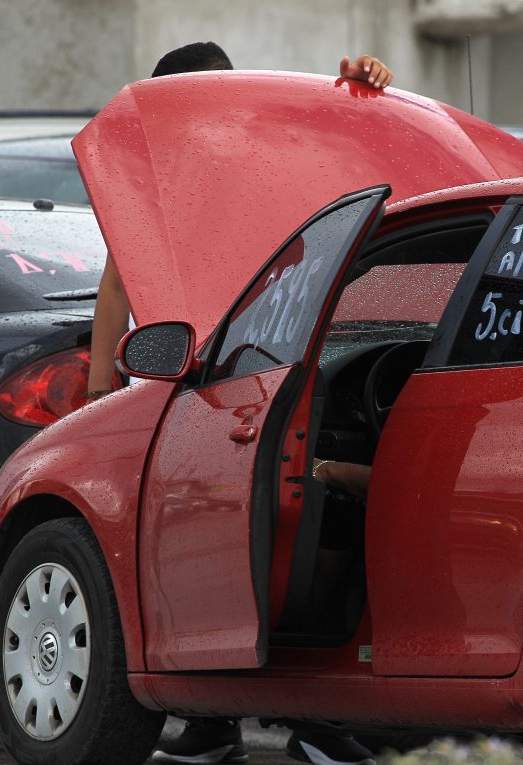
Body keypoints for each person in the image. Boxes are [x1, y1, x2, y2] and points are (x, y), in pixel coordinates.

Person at [103, 42, 391, 765]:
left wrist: (364, 90)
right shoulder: (146, 199)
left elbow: (355, 159)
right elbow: (114, 309)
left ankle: (306, 721)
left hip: (248, 393)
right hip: (176, 400)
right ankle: (215, 720)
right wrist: (102, 414)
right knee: (204, 566)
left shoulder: (258, 175)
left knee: (263, 551)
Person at [84, 43, 393, 402]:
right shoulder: (156, 182)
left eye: (190, 112)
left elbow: (337, 161)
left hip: (268, 360)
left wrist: (358, 94)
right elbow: (118, 286)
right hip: (177, 376)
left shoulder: (272, 156)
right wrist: (97, 391)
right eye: (169, 116)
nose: (184, 130)